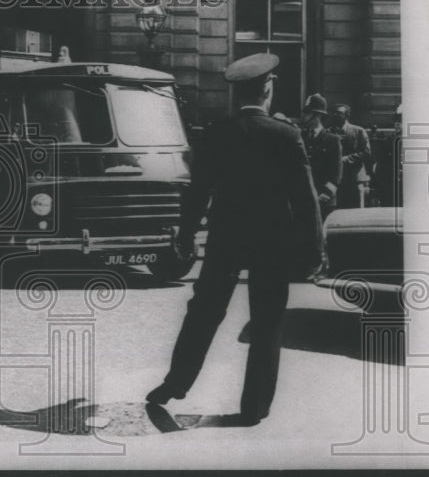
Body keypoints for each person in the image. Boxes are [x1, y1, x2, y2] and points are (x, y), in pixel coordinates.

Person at [146, 53, 323, 426]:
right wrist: (314, 250)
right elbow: (306, 200)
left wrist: (188, 232)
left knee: (204, 312)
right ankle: (254, 406)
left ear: (236, 93)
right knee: (267, 322)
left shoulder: (217, 133)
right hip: (273, 242)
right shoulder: (286, 134)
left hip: (227, 237)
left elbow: (197, 192)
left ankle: (174, 385)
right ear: (268, 88)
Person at [300, 94, 342, 220]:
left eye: (307, 113)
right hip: (304, 198)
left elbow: (336, 172)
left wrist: (325, 194)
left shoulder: (332, 140)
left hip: (324, 200)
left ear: (317, 116)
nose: (304, 116)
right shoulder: (300, 136)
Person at [328, 104, 372, 209]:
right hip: (337, 181)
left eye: (339, 113)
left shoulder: (359, 131)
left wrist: (346, 159)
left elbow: (366, 152)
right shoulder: (329, 132)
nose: (335, 115)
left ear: (347, 116)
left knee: (355, 212)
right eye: (334, 113)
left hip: (355, 179)